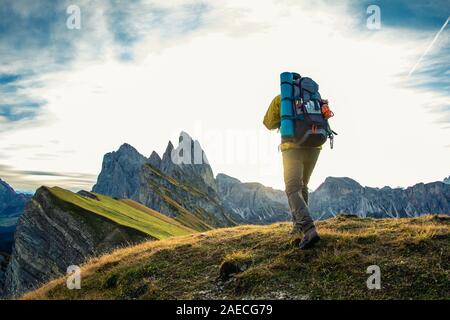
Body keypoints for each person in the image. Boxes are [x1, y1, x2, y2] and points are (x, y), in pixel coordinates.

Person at [263, 76, 331, 249]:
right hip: (315, 145)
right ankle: (298, 227)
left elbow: (268, 123)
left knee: (292, 188)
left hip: (292, 147)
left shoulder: (283, 99)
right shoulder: (315, 96)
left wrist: (286, 118)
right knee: (303, 186)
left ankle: (309, 229)